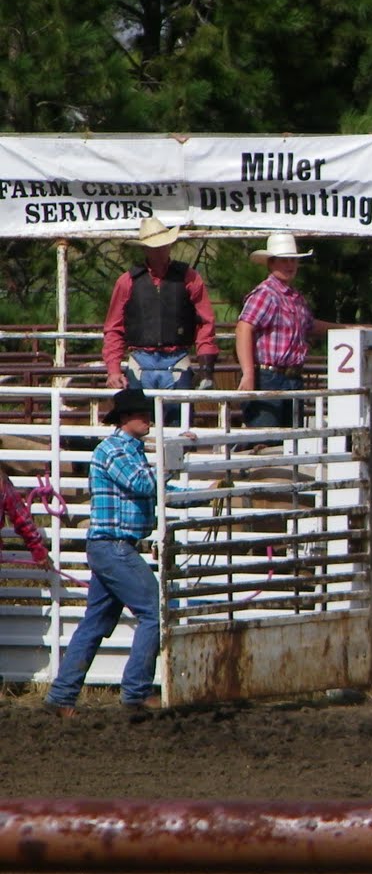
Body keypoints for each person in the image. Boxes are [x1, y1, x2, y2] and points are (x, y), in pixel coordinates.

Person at [43, 388, 166, 717]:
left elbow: (150, 486)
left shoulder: (127, 451)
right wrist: (171, 461)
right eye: (142, 414)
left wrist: (193, 493)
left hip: (109, 547)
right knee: (154, 611)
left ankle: (61, 696)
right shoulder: (114, 451)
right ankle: (136, 692)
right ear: (125, 418)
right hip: (114, 546)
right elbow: (143, 484)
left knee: (95, 622)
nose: (148, 419)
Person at [103, 217, 219, 409]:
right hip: (141, 359)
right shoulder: (127, 281)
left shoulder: (189, 278)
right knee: (138, 418)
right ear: (145, 249)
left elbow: (205, 323)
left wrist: (206, 366)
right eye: (154, 246)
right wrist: (114, 370)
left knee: (178, 419)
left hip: (177, 357)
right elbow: (114, 328)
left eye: (163, 245)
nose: (160, 250)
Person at [236, 232, 333, 430]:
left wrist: (347, 328)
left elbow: (310, 325)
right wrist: (248, 373)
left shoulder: (294, 298)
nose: (290, 265)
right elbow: (244, 328)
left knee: (289, 438)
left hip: (291, 377)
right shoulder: (266, 294)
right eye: (284, 260)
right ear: (271, 263)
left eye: (293, 260)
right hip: (268, 377)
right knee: (268, 437)